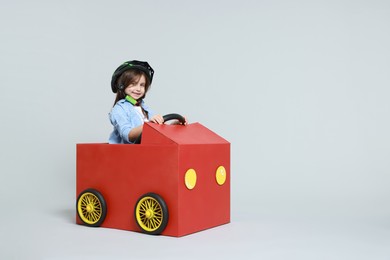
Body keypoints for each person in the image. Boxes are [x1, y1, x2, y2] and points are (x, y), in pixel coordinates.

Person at [108, 60, 164, 144]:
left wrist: (174, 124)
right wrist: (149, 125)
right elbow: (127, 134)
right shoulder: (119, 109)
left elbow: (159, 129)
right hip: (127, 154)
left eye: (142, 85)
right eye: (133, 84)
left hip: (145, 152)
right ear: (121, 85)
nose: (138, 89)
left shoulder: (144, 108)